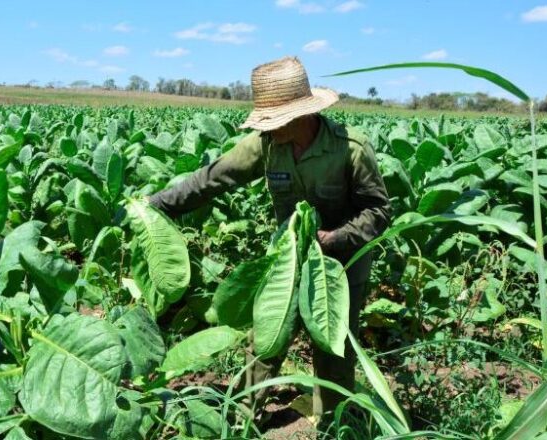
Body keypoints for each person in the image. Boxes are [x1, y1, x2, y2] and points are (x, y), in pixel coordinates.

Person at [149, 56, 391, 418]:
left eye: (276, 119)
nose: (269, 127)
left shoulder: (350, 149)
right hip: (286, 261)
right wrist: (157, 205)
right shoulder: (265, 145)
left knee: (333, 348)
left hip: (342, 265)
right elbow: (213, 178)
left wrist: (333, 238)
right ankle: (239, 416)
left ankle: (335, 423)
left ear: (303, 114)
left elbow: (378, 212)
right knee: (265, 337)